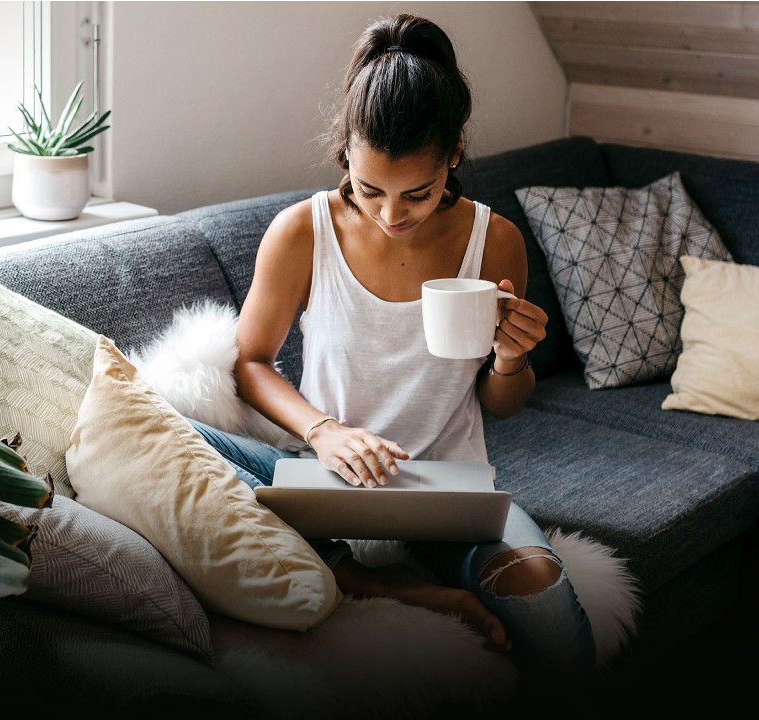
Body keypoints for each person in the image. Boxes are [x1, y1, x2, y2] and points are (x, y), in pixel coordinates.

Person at [187, 12, 596, 706]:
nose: (389, 214)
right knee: (182, 438)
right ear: (346, 153)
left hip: (444, 495)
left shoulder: (493, 244)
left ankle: (388, 578)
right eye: (370, 189)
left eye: (417, 193)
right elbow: (250, 361)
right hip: (324, 483)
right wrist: (324, 431)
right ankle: (380, 583)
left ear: (454, 157)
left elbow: (504, 403)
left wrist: (510, 360)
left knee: (553, 616)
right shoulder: (301, 232)